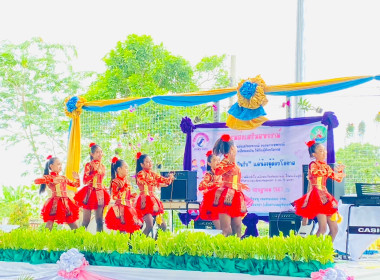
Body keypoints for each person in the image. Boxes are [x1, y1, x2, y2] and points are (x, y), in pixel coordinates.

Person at [293, 140, 345, 241]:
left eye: (325, 150)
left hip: (326, 197)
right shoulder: (313, 164)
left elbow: (338, 178)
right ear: (314, 154)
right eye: (321, 151)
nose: (324, 152)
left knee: (334, 229)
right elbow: (316, 173)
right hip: (316, 197)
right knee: (323, 228)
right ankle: (313, 251)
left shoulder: (326, 166)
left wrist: (340, 171)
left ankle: (325, 250)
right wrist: (327, 170)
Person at [212, 134, 252, 237]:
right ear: (232, 148)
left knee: (238, 227)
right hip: (227, 196)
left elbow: (233, 178)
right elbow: (217, 171)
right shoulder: (226, 161)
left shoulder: (233, 161)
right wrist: (230, 163)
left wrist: (240, 185)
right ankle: (224, 251)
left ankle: (237, 251)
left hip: (237, 196)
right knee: (226, 230)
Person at [34, 155, 79, 230]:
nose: (60, 166)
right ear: (51, 166)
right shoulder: (49, 177)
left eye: (61, 164)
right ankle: (44, 240)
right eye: (58, 164)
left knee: (73, 224)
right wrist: (51, 180)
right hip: (55, 203)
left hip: (66, 203)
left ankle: (78, 239)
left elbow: (76, 185)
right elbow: (36, 181)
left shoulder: (63, 178)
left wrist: (77, 179)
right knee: (49, 223)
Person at [135, 152, 174, 236]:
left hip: (154, 201)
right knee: (149, 225)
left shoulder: (153, 174)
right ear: (142, 164)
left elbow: (164, 180)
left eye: (151, 161)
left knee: (163, 226)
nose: (150, 163)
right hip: (145, 201)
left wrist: (170, 178)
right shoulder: (140, 174)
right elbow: (144, 181)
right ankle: (139, 244)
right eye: (147, 162)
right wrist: (157, 182)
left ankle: (155, 245)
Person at [74, 143, 110, 232]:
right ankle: (80, 240)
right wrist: (94, 173)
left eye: (101, 152)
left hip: (100, 193)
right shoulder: (88, 165)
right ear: (92, 154)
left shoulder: (103, 166)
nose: (100, 154)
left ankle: (99, 241)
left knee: (100, 220)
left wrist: (104, 187)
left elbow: (100, 180)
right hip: (90, 193)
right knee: (86, 221)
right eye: (97, 152)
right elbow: (85, 181)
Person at [105, 157, 143, 233]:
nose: (127, 170)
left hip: (129, 207)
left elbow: (126, 196)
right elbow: (114, 196)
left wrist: (131, 196)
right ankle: (124, 244)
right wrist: (123, 189)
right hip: (121, 208)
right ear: (119, 169)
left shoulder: (126, 181)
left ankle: (130, 244)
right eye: (125, 167)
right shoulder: (115, 182)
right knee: (122, 229)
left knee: (133, 228)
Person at [198, 150, 222, 230]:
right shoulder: (209, 175)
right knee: (221, 228)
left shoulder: (223, 173)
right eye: (215, 160)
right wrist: (215, 185)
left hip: (224, 202)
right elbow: (201, 186)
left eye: (219, 160)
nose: (218, 162)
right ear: (209, 163)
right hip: (214, 204)